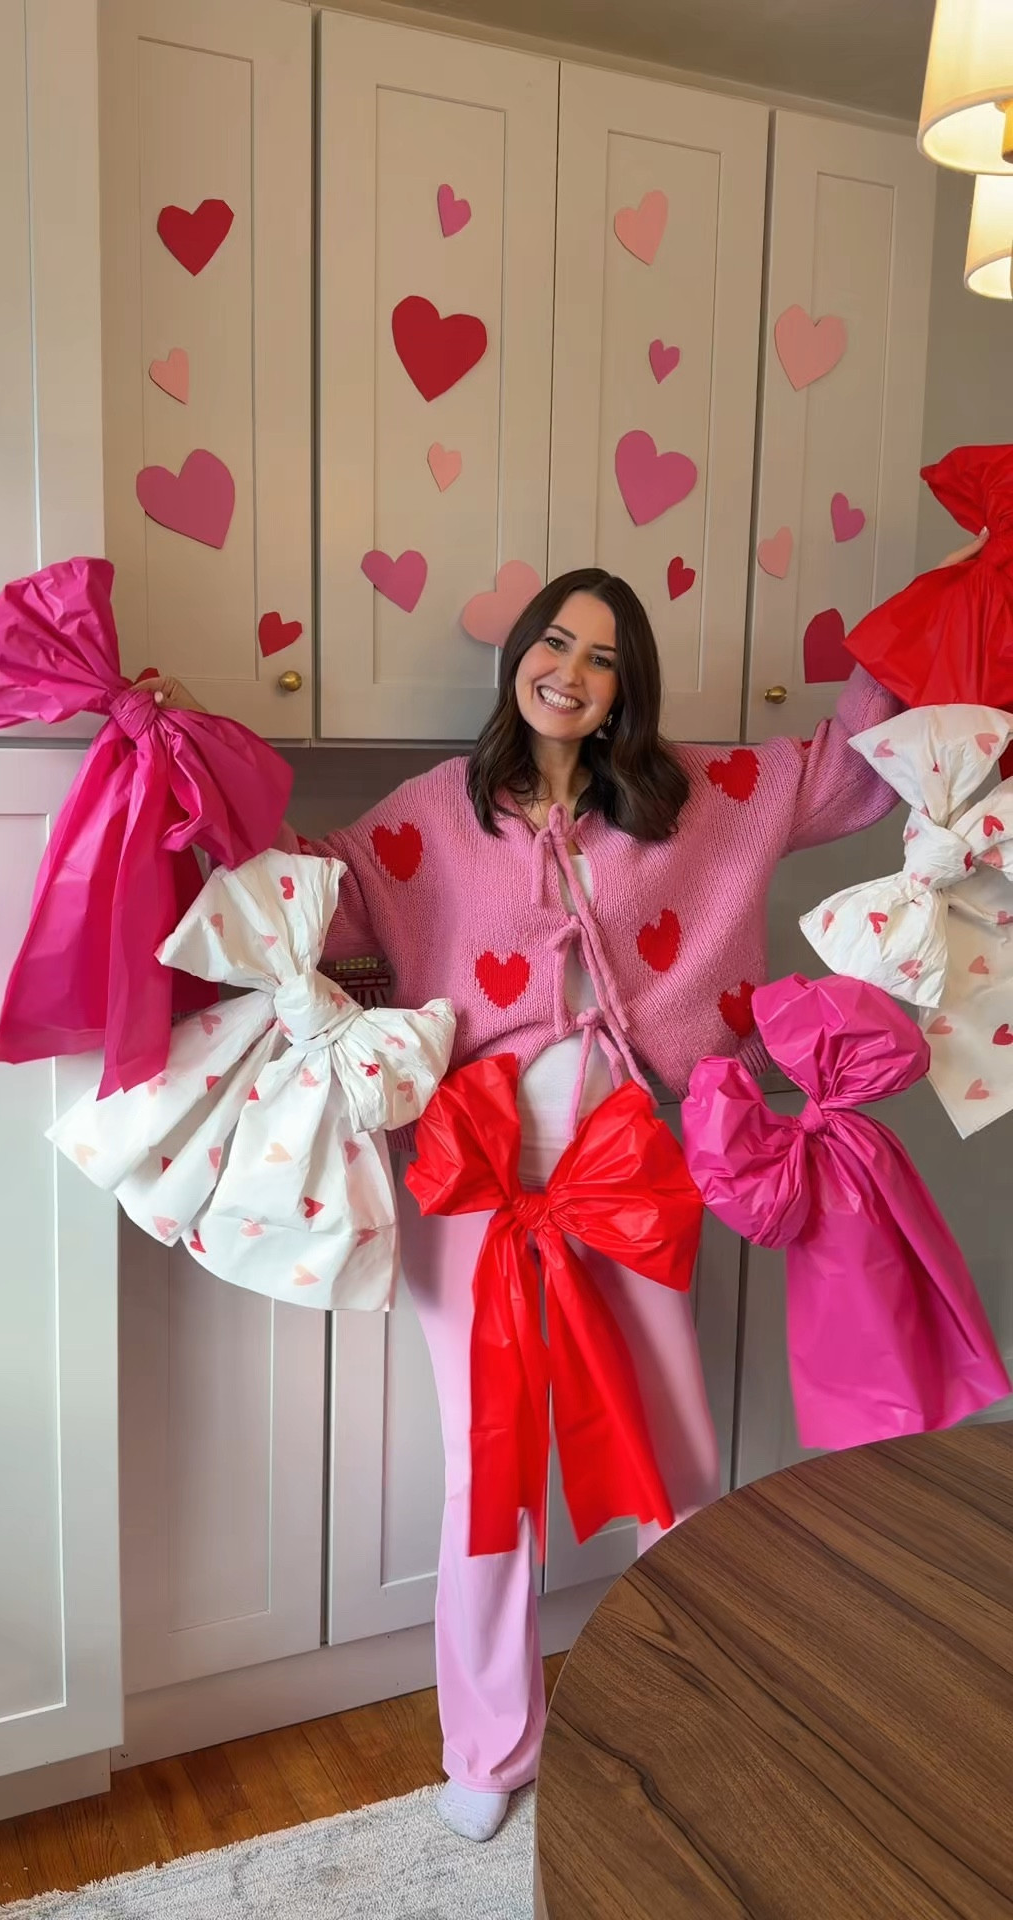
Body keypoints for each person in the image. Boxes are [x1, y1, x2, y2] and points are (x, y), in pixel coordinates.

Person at [153, 544, 983, 1841]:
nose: (571, 670)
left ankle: (697, 1703)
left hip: (629, 1164)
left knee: (678, 1453)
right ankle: (489, 1748)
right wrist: (184, 766)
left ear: (624, 687)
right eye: (556, 642)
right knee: (488, 1469)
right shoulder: (433, 814)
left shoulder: (695, 796)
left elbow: (845, 771)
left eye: (602, 657)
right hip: (472, 1179)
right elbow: (299, 885)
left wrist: (940, 613)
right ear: (520, 656)